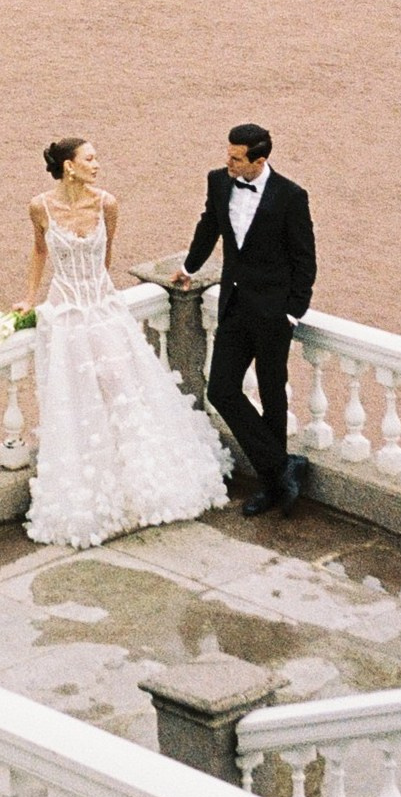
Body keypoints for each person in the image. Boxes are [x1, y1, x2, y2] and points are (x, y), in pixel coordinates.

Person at [24, 139, 225, 549]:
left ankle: (141, 486)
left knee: (122, 389)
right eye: (90, 159)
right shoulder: (39, 208)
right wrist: (29, 298)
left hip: (104, 308)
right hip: (66, 312)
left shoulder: (107, 204)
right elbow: (40, 250)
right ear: (69, 166)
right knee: (78, 401)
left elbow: (106, 257)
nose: (97, 165)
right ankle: (95, 493)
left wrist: (96, 297)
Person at [180, 123, 316, 516]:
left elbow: (305, 258)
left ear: (260, 160)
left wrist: (293, 310)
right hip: (235, 307)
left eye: (236, 158)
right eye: (228, 153)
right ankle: (281, 467)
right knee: (221, 389)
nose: (228, 162)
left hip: (274, 313)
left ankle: (273, 486)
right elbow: (209, 226)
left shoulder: (291, 197)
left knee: (274, 396)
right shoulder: (219, 182)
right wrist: (190, 268)